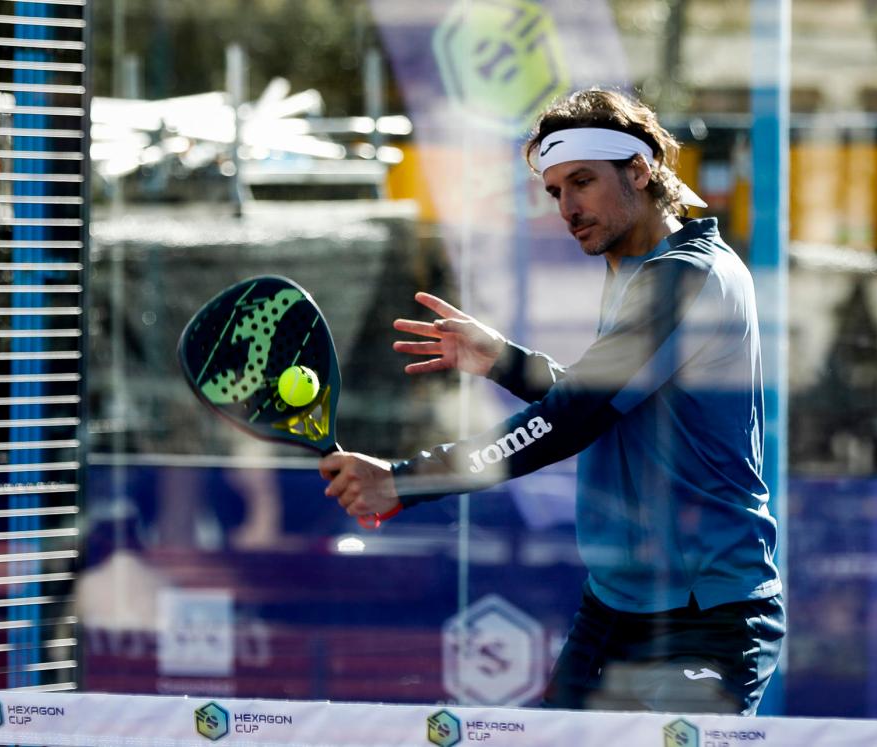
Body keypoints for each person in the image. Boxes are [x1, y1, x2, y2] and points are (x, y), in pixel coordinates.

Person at [319, 88, 784, 715]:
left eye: (583, 182)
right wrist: (502, 362)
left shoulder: (686, 275)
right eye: (555, 190)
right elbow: (618, 408)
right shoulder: (638, 271)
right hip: (616, 608)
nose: (567, 207)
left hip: (707, 614)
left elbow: (573, 418)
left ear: (641, 172)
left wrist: (405, 480)